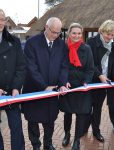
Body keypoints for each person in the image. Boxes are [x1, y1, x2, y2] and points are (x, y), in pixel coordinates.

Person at [22, 17, 69, 150]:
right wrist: (44, 86)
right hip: (34, 89)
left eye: (58, 33)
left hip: (53, 91)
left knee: (50, 119)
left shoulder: (61, 45)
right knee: (33, 120)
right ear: (46, 28)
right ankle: (36, 145)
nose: (55, 35)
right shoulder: (32, 43)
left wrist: (62, 83)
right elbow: (31, 67)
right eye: (53, 32)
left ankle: (47, 144)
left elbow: (64, 66)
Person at [59, 23, 94, 150]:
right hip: (68, 86)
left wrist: (86, 81)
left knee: (81, 114)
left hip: (81, 86)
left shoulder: (87, 49)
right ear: (69, 33)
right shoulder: (63, 48)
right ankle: (67, 134)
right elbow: (60, 67)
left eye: (79, 33)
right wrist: (64, 80)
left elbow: (90, 69)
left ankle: (77, 140)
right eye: (74, 33)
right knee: (67, 113)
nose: (76, 36)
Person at [86, 20, 114, 142]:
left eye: (112, 35)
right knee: (86, 107)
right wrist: (100, 75)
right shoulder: (91, 42)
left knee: (98, 108)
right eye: (108, 34)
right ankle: (84, 128)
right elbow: (91, 63)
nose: (110, 37)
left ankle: (96, 131)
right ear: (102, 31)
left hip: (104, 82)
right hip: (92, 80)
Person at [0, 9, 25, 150]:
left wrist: (16, 87)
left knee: (16, 126)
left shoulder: (14, 41)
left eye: (2, 19)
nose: (0, 22)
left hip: (12, 93)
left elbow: (21, 66)